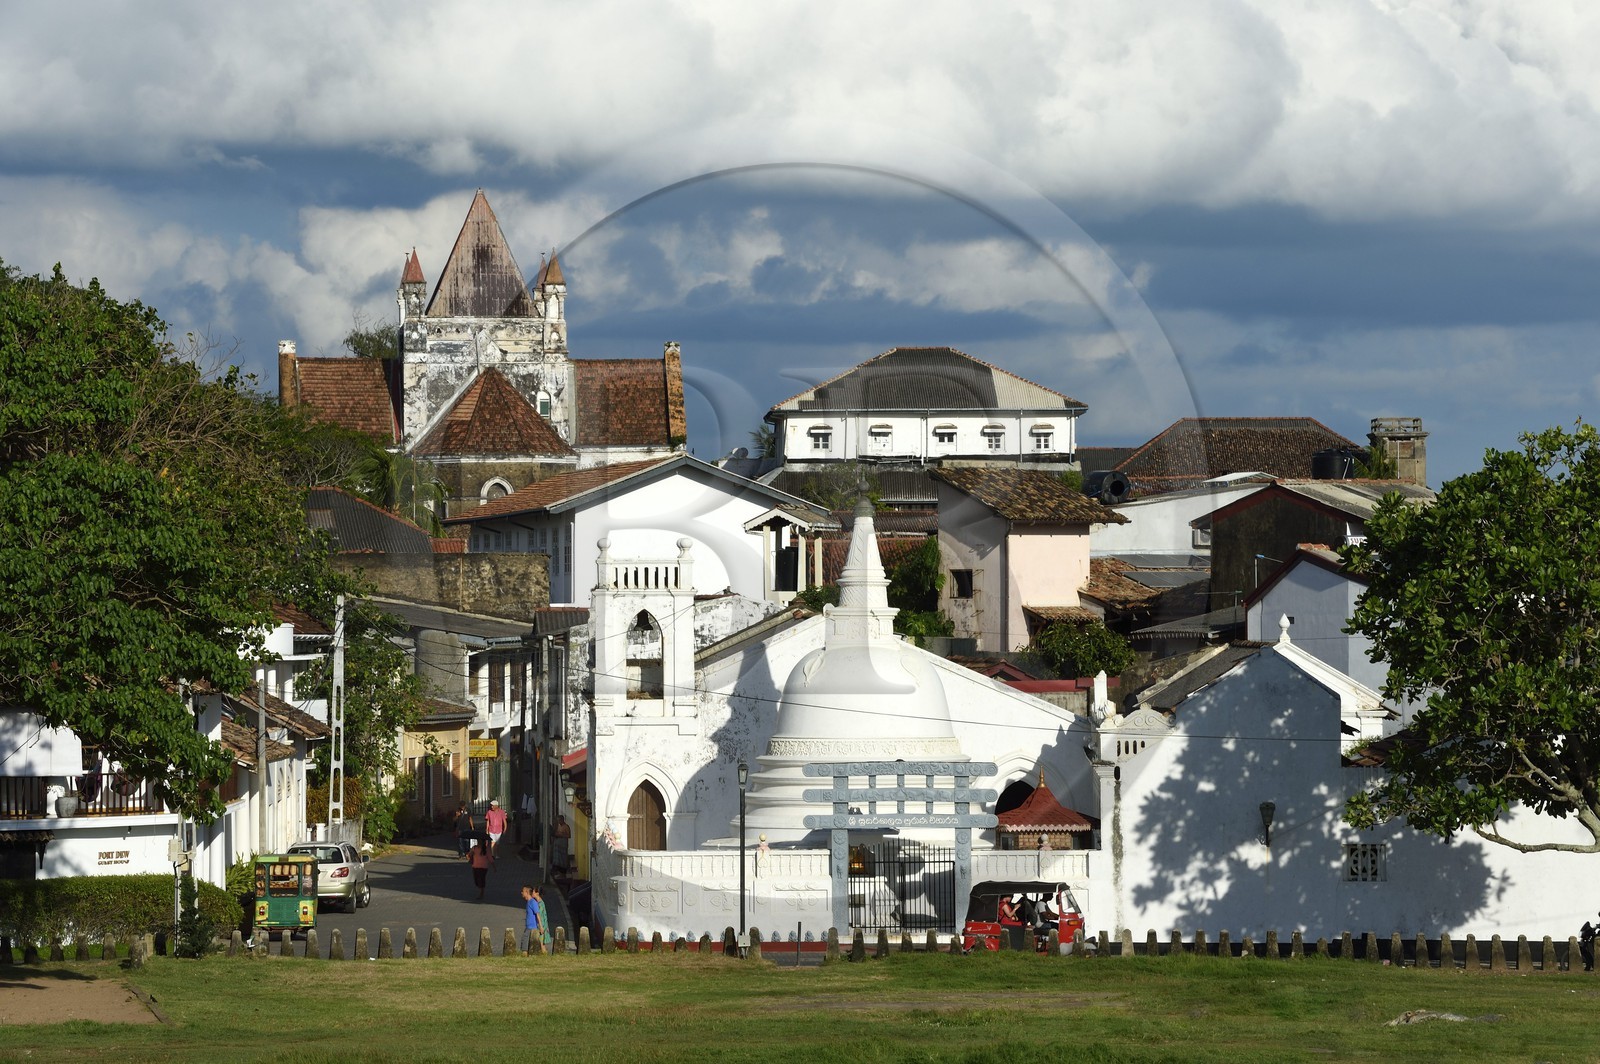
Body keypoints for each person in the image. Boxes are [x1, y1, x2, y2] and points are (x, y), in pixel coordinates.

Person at [522, 883, 548, 953]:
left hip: (536, 927)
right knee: (539, 944)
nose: (521, 893)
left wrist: (541, 926)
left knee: (541, 943)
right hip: (533, 926)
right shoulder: (533, 902)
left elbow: (539, 915)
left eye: (533, 891)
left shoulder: (536, 903)